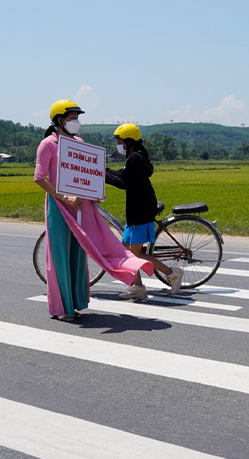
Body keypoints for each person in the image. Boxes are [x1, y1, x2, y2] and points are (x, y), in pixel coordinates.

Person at [34, 100, 154, 322]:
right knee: (60, 255)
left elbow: (89, 174)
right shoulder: (48, 145)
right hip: (60, 206)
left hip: (81, 206)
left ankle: (76, 303)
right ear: (59, 120)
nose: (76, 123)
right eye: (72, 119)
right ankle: (62, 308)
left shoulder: (78, 142)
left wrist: (95, 192)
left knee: (80, 254)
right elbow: (40, 178)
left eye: (77, 118)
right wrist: (64, 196)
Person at [106, 123, 183, 299]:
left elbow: (123, 182)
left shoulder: (134, 159)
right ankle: (138, 287)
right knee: (125, 250)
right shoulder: (136, 157)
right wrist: (106, 171)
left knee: (136, 253)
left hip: (139, 212)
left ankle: (172, 273)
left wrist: (103, 176)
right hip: (136, 212)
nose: (118, 145)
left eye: (119, 142)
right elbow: (124, 175)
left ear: (128, 141)